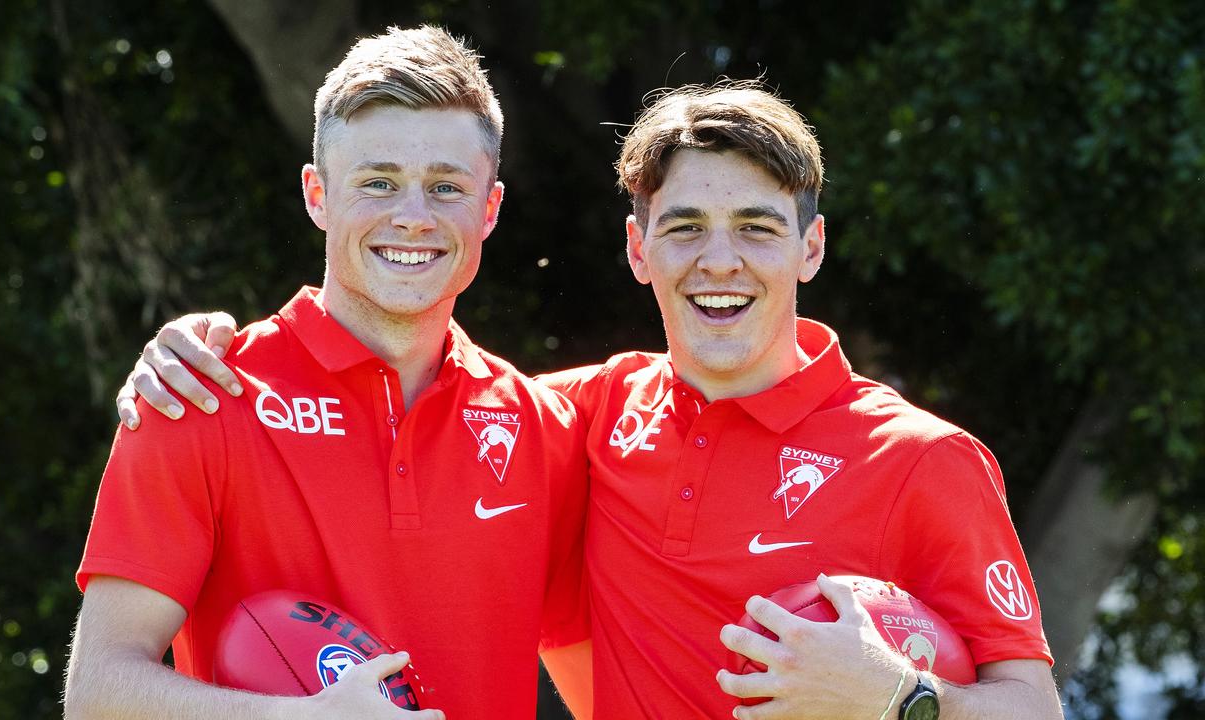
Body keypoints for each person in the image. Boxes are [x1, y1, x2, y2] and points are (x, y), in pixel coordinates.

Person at [115, 82, 1064, 719]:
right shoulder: (586, 417)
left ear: (809, 250)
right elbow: (409, 390)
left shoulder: (922, 458)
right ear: (637, 250)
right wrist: (191, 350)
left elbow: (1033, 703)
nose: (719, 260)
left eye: (758, 228)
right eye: (684, 226)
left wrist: (898, 697)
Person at [64, 26, 592, 720]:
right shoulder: (201, 394)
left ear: (489, 208)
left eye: (445, 187)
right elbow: (98, 691)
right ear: (317, 195)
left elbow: (600, 689)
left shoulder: (544, 428)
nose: (413, 217)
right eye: (379, 183)